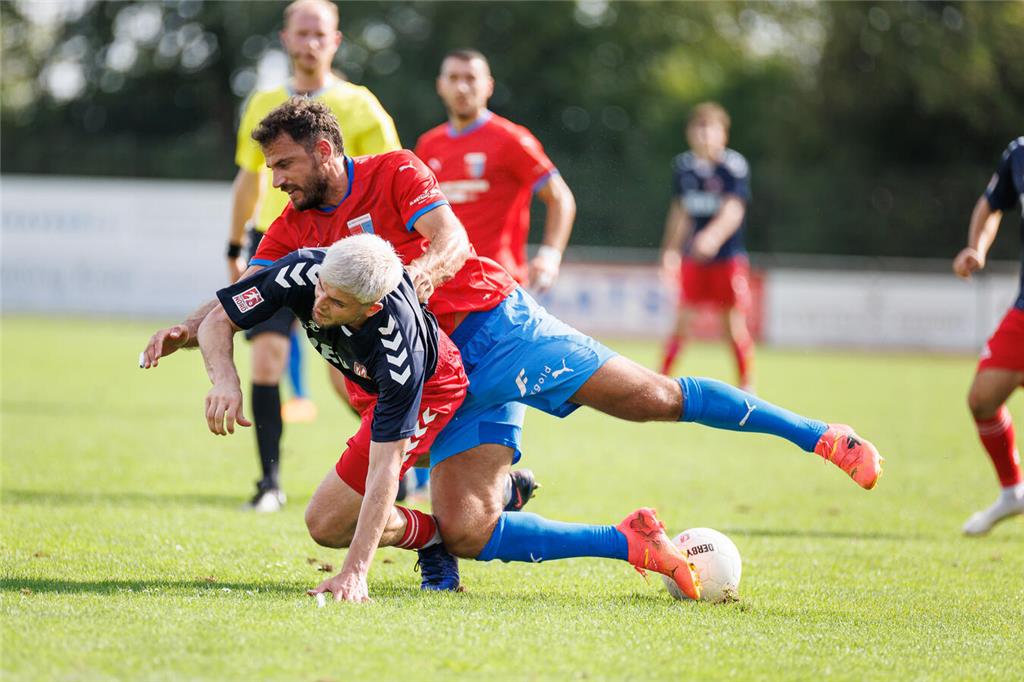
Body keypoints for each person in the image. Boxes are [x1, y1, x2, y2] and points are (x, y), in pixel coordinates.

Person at [143, 99, 883, 594]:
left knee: (653, 400)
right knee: (467, 530)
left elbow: (452, 241)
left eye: (285, 166)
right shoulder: (291, 226)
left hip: (499, 330)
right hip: (434, 373)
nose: (277, 181)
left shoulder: (395, 170)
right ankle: (630, 541)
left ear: (325, 152)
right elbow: (239, 297)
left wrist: (414, 284)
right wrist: (197, 341)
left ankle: (823, 436)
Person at [160, 234, 704, 602]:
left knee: (328, 523)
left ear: (371, 307)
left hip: (432, 392)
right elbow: (218, 319)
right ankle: (445, 529)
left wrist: (356, 571)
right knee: (345, 525)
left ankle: (454, 531)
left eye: (335, 301)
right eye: (320, 288)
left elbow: (386, 473)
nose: (317, 304)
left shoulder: (400, 352)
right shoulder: (305, 271)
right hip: (366, 385)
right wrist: (225, 381)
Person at [226, 0, 401, 512]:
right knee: (266, 358)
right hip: (274, 241)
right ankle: (270, 483)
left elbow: (386, 173)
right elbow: (247, 178)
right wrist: (235, 245)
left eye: (320, 33)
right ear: (285, 38)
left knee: (352, 378)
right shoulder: (261, 101)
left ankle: (412, 454)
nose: (310, 42)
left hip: (343, 248)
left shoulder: (361, 105)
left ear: (336, 40)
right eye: (301, 32)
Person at [414, 49, 576, 292]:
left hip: (498, 283)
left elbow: (560, 198)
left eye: (470, 78)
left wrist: (550, 256)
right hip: (442, 284)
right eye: (454, 78)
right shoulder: (428, 144)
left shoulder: (511, 139)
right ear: (440, 85)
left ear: (488, 86)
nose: (462, 88)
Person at [953, 136, 1024, 536]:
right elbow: (991, 204)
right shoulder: (1019, 153)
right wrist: (976, 247)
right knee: (982, 399)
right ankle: (1013, 492)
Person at [658, 103, 755, 392]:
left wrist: (712, 237)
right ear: (689, 133)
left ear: (723, 134)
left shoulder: (733, 167)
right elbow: (681, 212)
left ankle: (747, 385)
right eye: (697, 128)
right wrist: (670, 250)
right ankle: (660, 380)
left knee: (732, 326)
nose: (703, 135)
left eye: (709, 128)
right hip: (694, 260)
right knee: (682, 321)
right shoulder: (684, 168)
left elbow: (733, 210)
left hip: (727, 259)